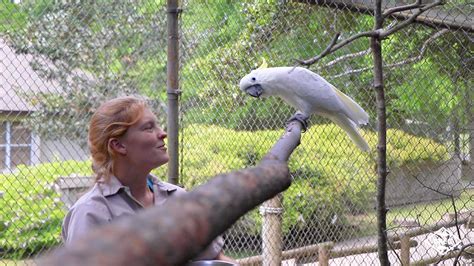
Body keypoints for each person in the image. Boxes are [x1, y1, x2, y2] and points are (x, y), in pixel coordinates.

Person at [62, 95, 236, 263]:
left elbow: (215, 259)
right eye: (148, 128)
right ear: (118, 145)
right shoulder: (91, 212)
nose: (163, 134)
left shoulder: (178, 198)